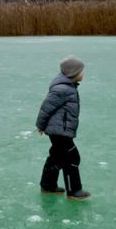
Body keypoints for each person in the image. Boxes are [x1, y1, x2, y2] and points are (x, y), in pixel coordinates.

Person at [35, 55, 91, 200]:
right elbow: (46, 108)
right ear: (73, 73)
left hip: (60, 130)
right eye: (81, 71)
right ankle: (74, 191)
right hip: (60, 132)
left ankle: (48, 185)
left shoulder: (69, 86)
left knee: (57, 157)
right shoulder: (63, 89)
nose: (83, 73)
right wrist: (40, 125)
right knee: (72, 157)